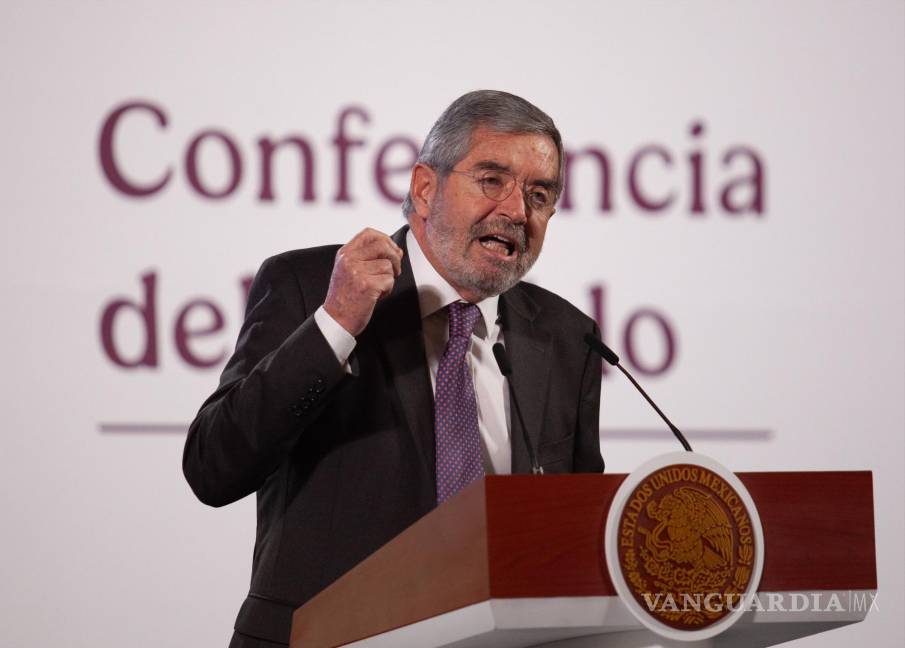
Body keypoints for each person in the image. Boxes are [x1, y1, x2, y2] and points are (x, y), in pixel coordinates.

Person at [183, 90, 605, 648]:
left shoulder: (566, 336)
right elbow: (213, 467)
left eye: (539, 195)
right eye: (491, 180)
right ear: (425, 189)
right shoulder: (311, 286)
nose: (516, 211)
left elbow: (575, 531)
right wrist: (335, 324)